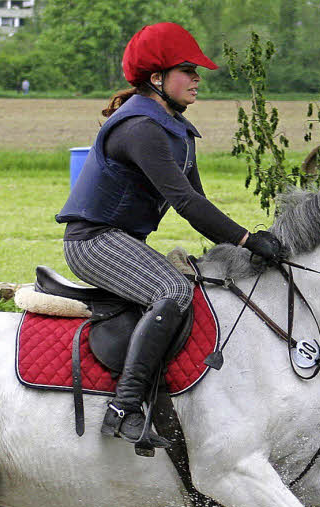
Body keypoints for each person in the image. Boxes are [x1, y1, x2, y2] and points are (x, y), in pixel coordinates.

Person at [56, 22, 282, 451]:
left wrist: (239, 248)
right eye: (187, 70)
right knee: (174, 288)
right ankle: (123, 407)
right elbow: (185, 203)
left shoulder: (176, 129)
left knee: (202, 286)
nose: (198, 78)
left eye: (197, 70)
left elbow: (198, 203)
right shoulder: (140, 127)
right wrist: (248, 240)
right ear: (157, 78)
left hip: (121, 240)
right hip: (92, 243)